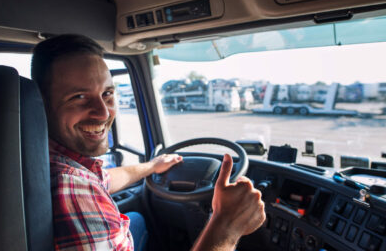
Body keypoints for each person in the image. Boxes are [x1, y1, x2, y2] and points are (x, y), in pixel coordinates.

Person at [31, 34, 265, 251]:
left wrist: (152, 166)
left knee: (137, 221)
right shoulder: (73, 189)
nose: (103, 113)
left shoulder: (47, 158)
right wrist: (226, 224)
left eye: (107, 94)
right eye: (79, 97)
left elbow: (104, 179)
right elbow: (82, 185)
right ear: (40, 104)